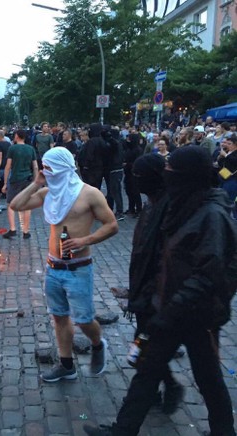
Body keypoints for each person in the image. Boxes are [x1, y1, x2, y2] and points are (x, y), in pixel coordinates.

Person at [84, 147, 237, 436]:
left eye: (172, 173)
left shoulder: (212, 215)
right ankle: (123, 430)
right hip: (170, 309)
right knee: (146, 371)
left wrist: (171, 309)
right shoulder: (184, 206)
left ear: (187, 177)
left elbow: (208, 273)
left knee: (209, 379)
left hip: (197, 315)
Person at [10, 147, 118, 382]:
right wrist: (36, 182)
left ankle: (98, 345)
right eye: (45, 167)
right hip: (53, 267)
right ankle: (66, 365)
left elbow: (112, 225)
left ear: (63, 167)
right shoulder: (48, 193)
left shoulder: (89, 194)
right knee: (59, 316)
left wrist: (85, 240)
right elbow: (16, 205)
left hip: (78, 268)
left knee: (83, 319)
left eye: (50, 168)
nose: (47, 172)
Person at [126, 154, 184, 414]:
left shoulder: (171, 207)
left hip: (159, 294)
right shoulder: (152, 205)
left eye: (140, 176)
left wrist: (151, 291)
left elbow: (165, 256)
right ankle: (162, 388)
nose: (136, 181)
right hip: (145, 291)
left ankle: (161, 390)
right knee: (147, 346)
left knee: (146, 348)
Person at [1, 129, 38, 239]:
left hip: (15, 179)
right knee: (27, 205)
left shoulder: (12, 148)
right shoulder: (31, 149)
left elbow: (8, 166)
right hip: (28, 179)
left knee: (11, 204)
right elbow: (35, 166)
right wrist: (35, 182)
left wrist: (5, 183)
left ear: (17, 136)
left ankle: (13, 229)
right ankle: (26, 231)